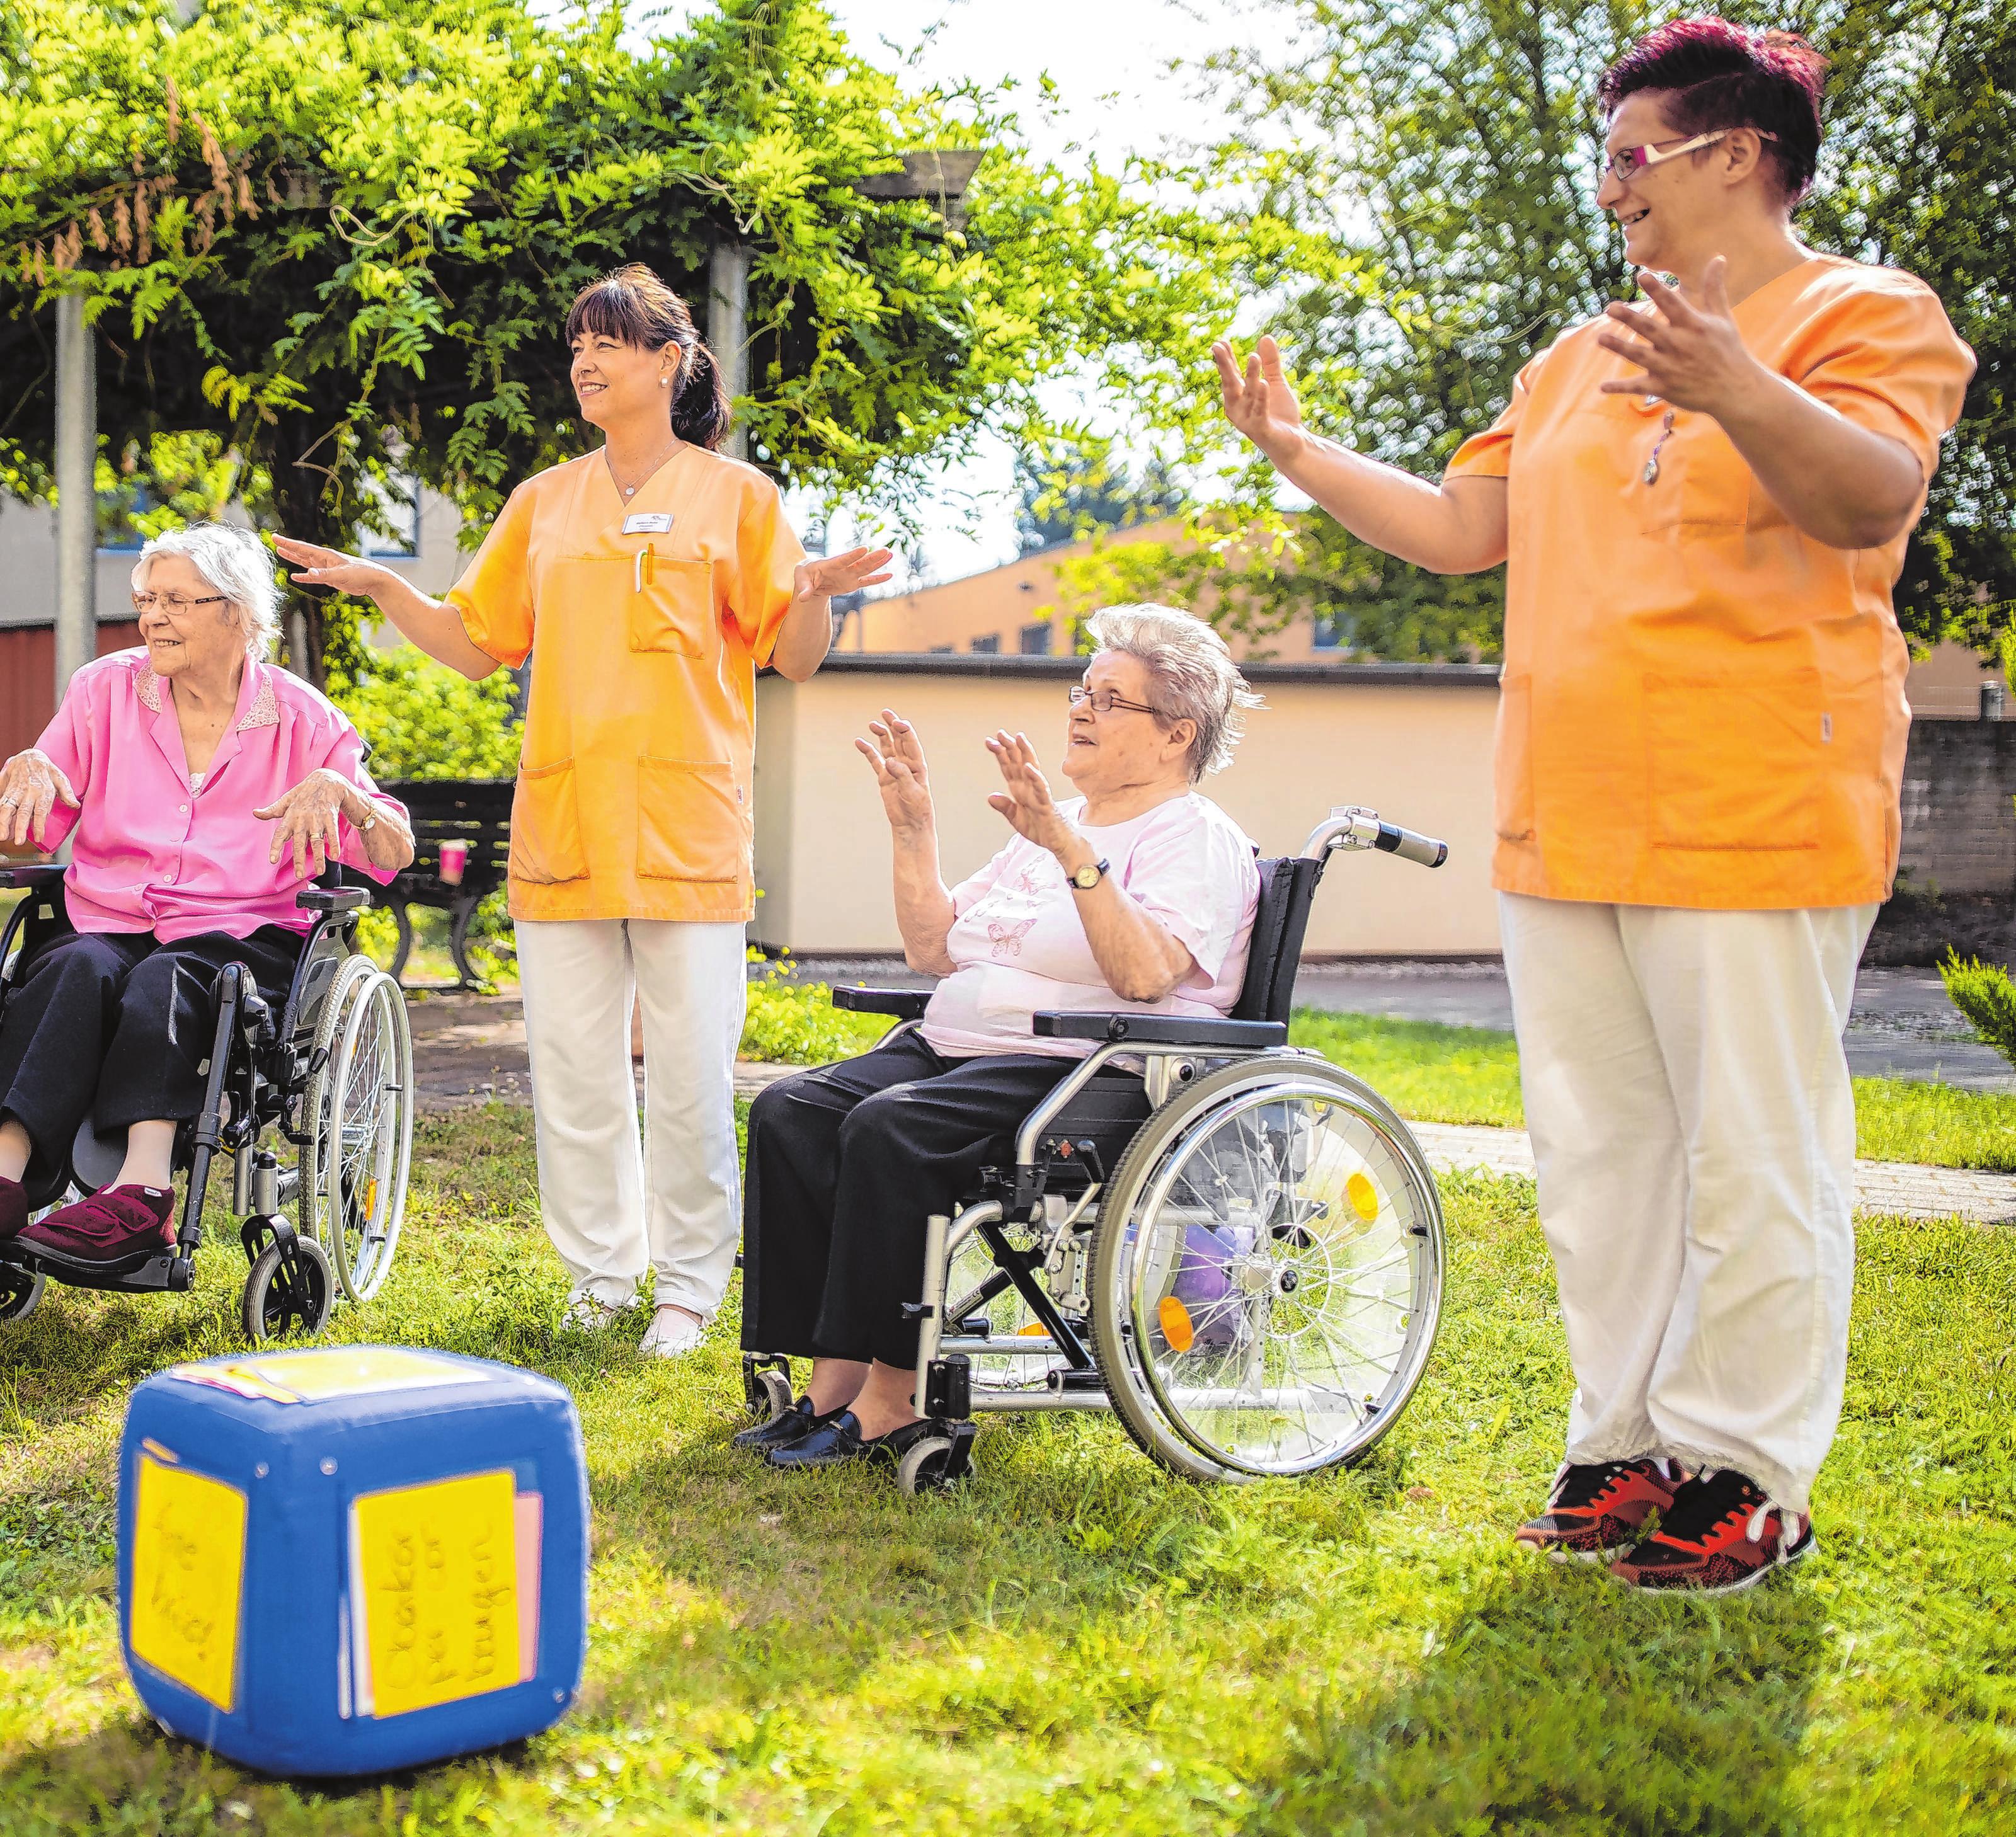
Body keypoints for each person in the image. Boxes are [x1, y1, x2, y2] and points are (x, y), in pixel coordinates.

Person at [1214, 19, 1974, 1594]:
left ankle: (1747, 1471)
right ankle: (1623, 1443)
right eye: (1608, 160)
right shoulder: (1571, 355)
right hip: (1567, 812)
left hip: (1755, 807)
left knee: (1752, 1156)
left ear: (1735, 155)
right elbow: (1457, 525)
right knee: (1603, 1156)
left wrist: (1737, 383)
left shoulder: (1867, 312)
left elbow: (1873, 495)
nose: (1612, 187)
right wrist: (1298, 452)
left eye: (1633, 155)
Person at [273, 264, 891, 1357]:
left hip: (686, 834)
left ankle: (689, 1288)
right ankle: (604, 1274)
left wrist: (815, 594)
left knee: (694, 1072)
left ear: (670, 361)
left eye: (608, 343)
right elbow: (473, 643)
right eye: (575, 348)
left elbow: (793, 659)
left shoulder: (740, 498)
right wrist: (386, 589)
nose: (586, 363)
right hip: (565, 828)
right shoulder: (545, 502)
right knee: (573, 1070)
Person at [737, 603, 1263, 1470]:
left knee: (890, 1128)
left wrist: (1072, 852)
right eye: (1082, 691)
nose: (1081, 709)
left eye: (1111, 700)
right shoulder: (1053, 823)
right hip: (969, 1048)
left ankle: (893, 1400)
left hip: (1090, 1068)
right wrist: (914, 828)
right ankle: (829, 1386)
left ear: (1176, 734)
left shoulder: (1190, 835)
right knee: (792, 1111)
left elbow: (1144, 974)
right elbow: (935, 946)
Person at [0, 524, 414, 1265]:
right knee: (70, 968)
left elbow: (392, 854)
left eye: (175, 601)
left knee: (171, 976)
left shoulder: (304, 719)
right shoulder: (103, 692)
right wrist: (25, 772)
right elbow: (29, 835)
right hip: (110, 915)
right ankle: (4, 1174)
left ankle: (142, 1192)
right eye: (145, 599)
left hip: (242, 930)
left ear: (239, 613)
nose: (151, 616)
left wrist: (346, 798)